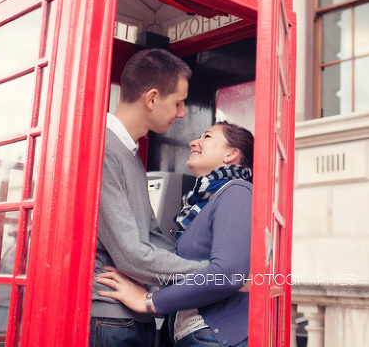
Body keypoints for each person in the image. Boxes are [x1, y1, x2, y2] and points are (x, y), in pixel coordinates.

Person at [96, 121, 254, 347]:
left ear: (231, 153)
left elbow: (227, 273)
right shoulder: (203, 204)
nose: (193, 142)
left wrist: (149, 301)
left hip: (212, 336)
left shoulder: (236, 192)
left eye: (207, 137)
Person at [91, 48, 208, 347]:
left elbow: (152, 236)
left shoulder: (128, 152)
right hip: (109, 318)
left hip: (131, 315)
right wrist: (214, 275)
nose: (182, 113)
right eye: (178, 102)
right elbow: (132, 255)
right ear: (152, 98)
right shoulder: (103, 148)